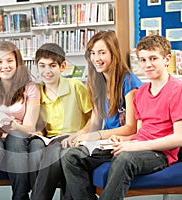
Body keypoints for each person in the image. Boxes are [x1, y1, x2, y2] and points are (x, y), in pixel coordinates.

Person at [60, 30, 143, 200]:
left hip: (121, 141)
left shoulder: (129, 82)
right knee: (69, 153)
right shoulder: (97, 81)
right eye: (93, 53)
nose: (97, 58)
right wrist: (79, 134)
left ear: (114, 53)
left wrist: (94, 136)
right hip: (105, 141)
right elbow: (96, 121)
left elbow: (131, 127)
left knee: (72, 157)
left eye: (102, 52)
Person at [99, 35, 182, 200]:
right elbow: (139, 132)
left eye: (153, 58)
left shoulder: (177, 90)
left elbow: (179, 138)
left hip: (161, 154)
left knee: (124, 159)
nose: (147, 64)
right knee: (75, 156)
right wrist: (125, 140)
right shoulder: (141, 92)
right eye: (142, 60)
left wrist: (135, 146)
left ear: (167, 59)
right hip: (139, 145)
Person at [0, 41, 40, 200]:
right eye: (0, 61)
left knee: (16, 139)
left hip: (20, 136)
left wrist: (14, 125)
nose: (5, 66)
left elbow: (30, 127)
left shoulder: (30, 88)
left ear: (18, 63)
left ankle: (20, 197)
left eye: (10, 61)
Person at [29, 43, 92, 200]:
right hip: (50, 140)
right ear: (37, 67)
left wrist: (81, 133)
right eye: (42, 66)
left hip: (75, 138)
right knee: (50, 149)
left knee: (61, 153)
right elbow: (40, 125)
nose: (47, 71)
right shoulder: (37, 92)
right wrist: (38, 132)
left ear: (62, 66)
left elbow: (93, 117)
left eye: (52, 66)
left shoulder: (75, 86)